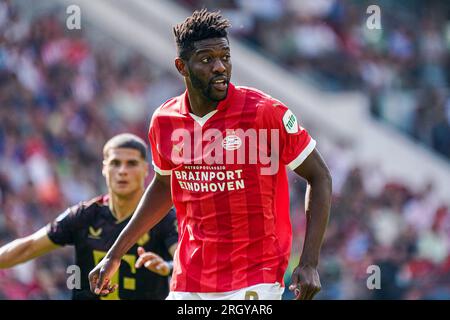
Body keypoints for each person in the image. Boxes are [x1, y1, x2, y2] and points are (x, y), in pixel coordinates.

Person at [89, 9, 332, 300]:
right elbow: (166, 184)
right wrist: (115, 253)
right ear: (182, 66)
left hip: (254, 279)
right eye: (207, 59)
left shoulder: (264, 112)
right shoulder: (164, 121)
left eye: (225, 57)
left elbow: (320, 177)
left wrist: (308, 262)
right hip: (189, 280)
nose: (220, 67)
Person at [0, 133, 178, 300]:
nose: (123, 171)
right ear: (104, 168)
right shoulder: (84, 215)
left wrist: (168, 267)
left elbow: (183, 259)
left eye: (131, 163)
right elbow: (28, 247)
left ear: (146, 169)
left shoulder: (162, 217)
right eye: (115, 163)